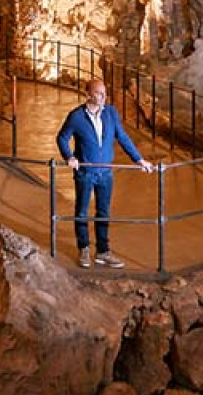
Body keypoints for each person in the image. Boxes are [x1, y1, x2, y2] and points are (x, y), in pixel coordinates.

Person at [55, 79, 154, 268]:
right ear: (88, 95)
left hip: (105, 173)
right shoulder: (76, 117)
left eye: (104, 93)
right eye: (99, 93)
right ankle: (83, 249)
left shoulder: (111, 113)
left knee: (103, 212)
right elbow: (62, 137)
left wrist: (138, 159)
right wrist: (69, 156)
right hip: (85, 172)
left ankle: (102, 251)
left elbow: (122, 137)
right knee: (82, 211)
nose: (103, 97)